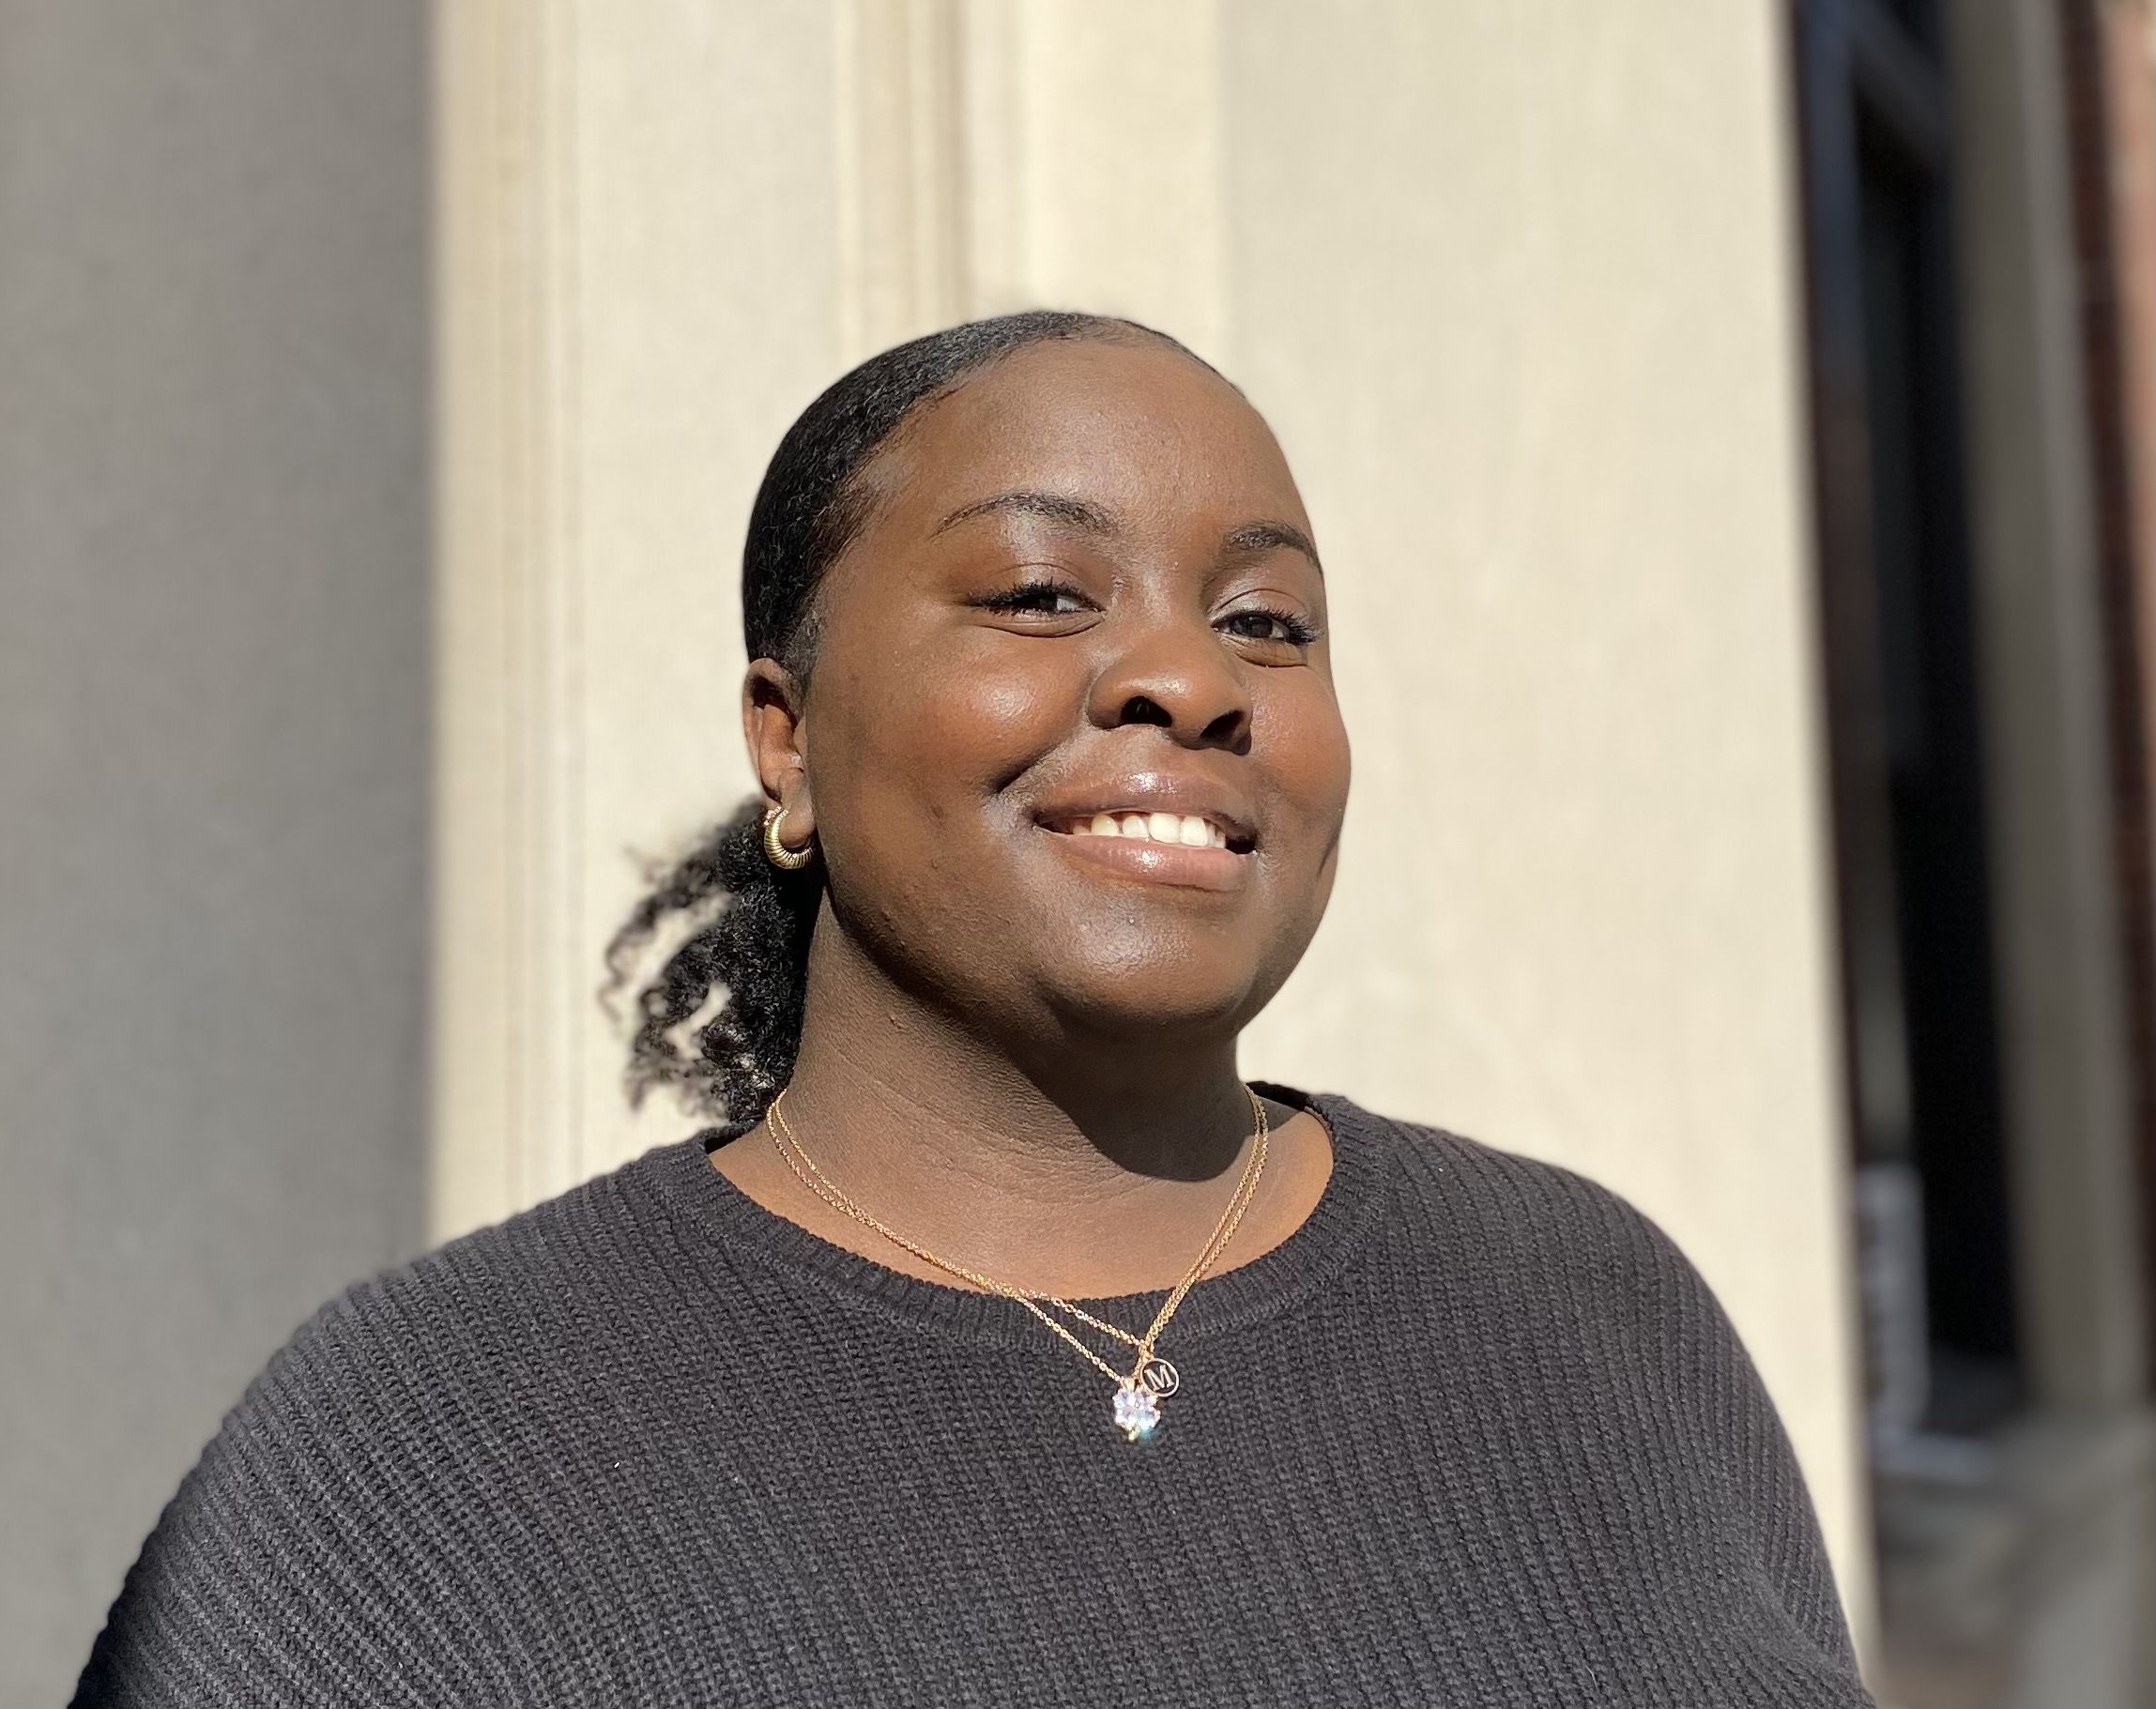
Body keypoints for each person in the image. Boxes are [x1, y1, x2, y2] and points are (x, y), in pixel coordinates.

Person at [74, 311, 1879, 1706]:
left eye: (1266, 622)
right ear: (787, 739)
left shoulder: (1594, 1310)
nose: (1184, 676)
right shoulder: (417, 1459)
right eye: (1036, 591)